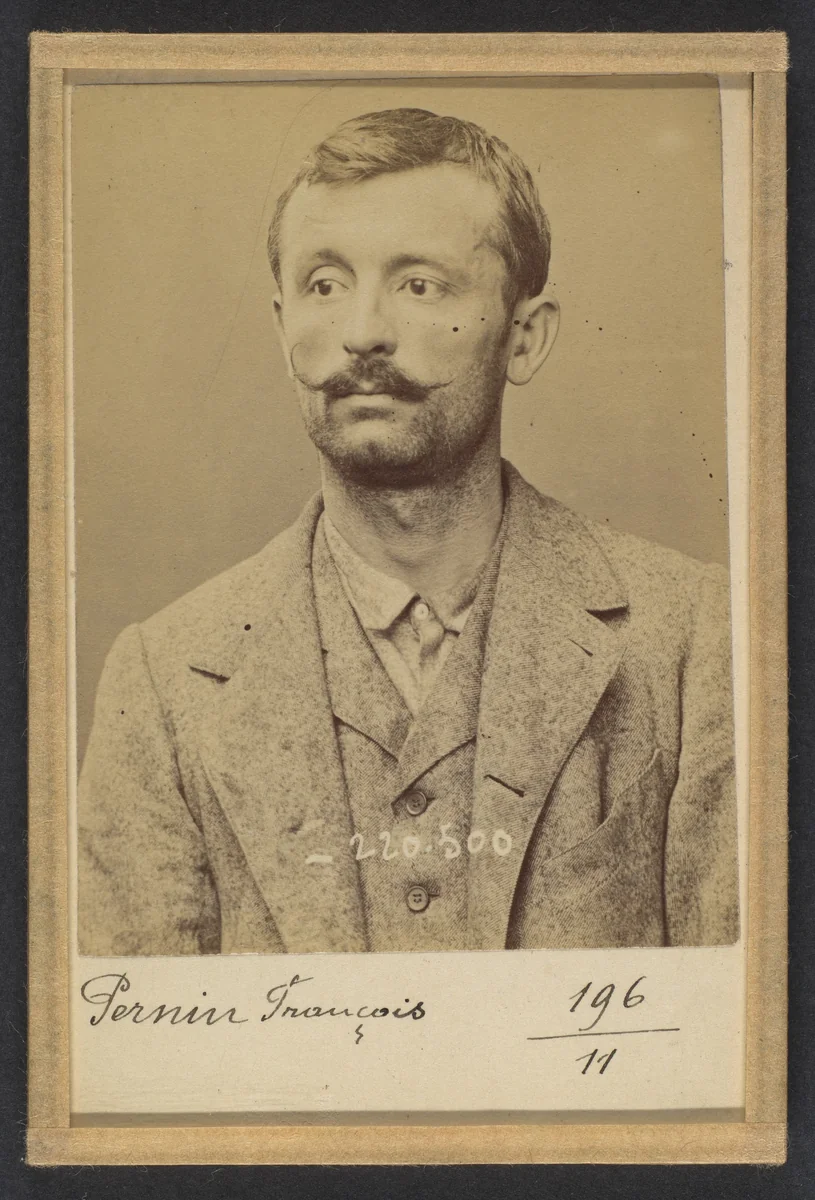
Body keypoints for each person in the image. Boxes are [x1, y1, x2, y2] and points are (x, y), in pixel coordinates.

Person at [78, 107, 739, 956]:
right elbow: (141, 1067)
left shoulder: (695, 640)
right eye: (324, 284)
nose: (361, 334)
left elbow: (739, 1043)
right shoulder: (163, 682)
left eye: (419, 284)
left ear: (524, 339)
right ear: (282, 326)